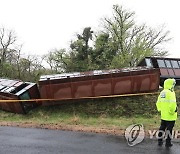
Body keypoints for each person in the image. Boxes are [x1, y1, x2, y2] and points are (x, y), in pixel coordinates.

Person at [156, 78, 178, 147]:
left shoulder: (162, 92)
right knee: (169, 130)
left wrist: (160, 109)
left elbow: (158, 103)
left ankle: (160, 141)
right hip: (170, 116)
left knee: (162, 127)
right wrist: (173, 111)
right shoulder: (171, 93)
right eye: (173, 84)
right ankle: (168, 143)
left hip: (164, 115)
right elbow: (172, 104)